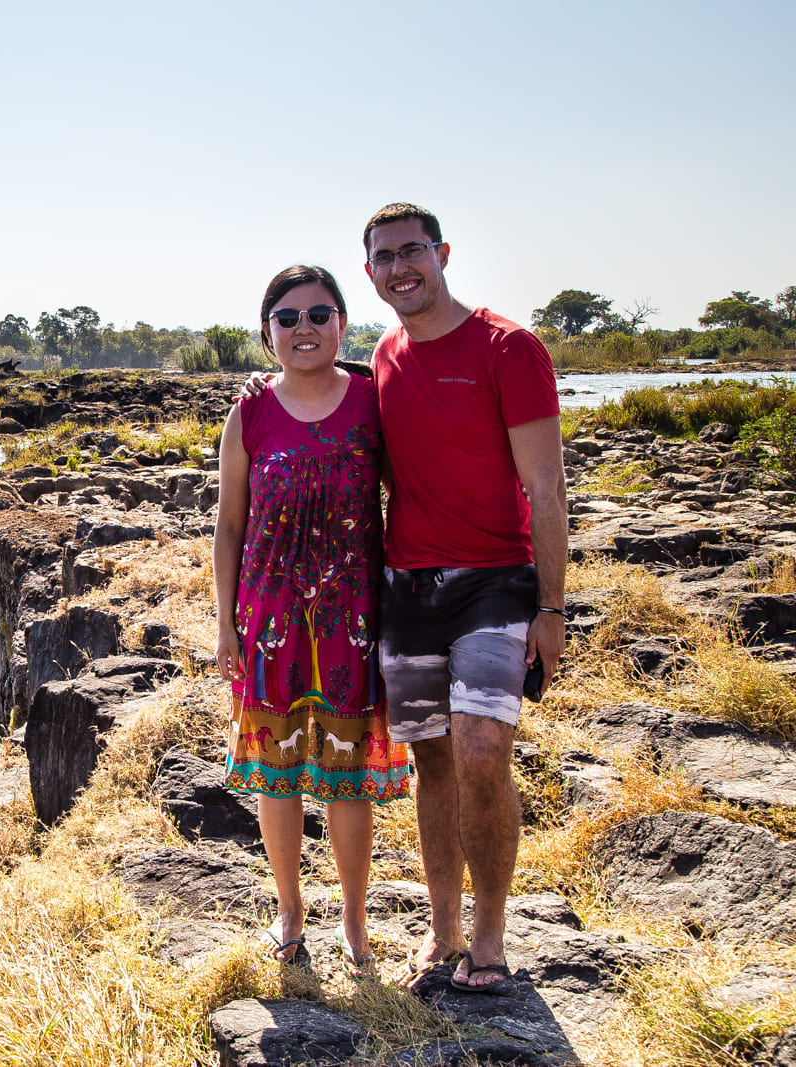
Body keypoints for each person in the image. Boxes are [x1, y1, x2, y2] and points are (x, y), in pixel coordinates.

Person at [361, 203, 568, 992]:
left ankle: (490, 934)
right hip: (409, 588)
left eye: (413, 251)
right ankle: (443, 927)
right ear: (371, 271)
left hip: (496, 581)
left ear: (442, 253)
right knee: (433, 760)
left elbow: (546, 488)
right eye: (384, 256)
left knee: (484, 751)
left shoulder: (508, 346)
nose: (400, 267)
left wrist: (552, 609)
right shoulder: (382, 355)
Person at [214, 265, 412, 978]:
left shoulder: (372, 402)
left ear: (342, 323)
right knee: (279, 775)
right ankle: (290, 910)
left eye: (319, 313)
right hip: (268, 619)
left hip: (351, 619)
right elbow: (229, 526)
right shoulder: (250, 413)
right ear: (267, 333)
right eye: (288, 317)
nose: (305, 328)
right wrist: (223, 625)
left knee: (347, 776)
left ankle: (356, 923)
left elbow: (413, 491)